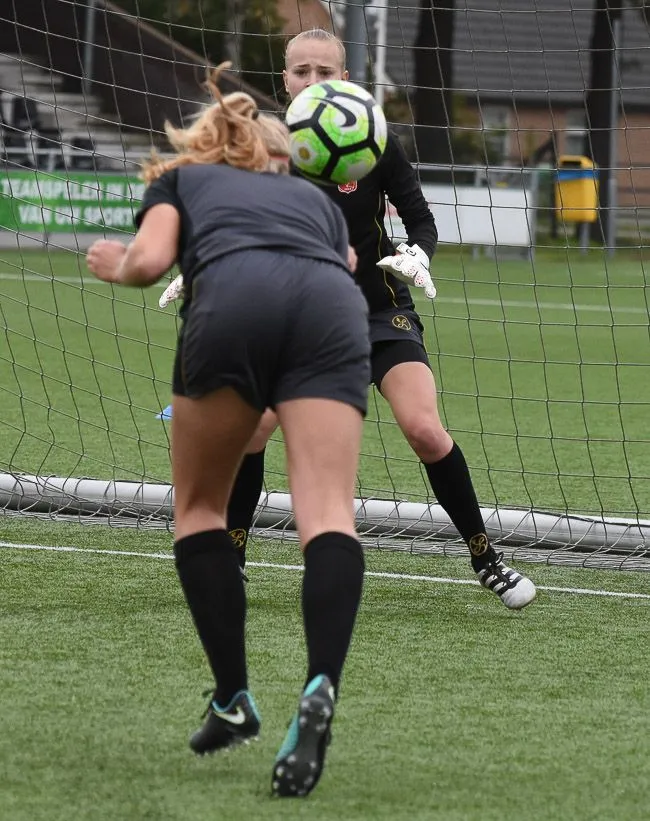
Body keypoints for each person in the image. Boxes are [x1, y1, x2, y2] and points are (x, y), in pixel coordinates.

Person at [159, 28, 536, 611]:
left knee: (425, 430)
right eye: (301, 71)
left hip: (378, 309)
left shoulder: (376, 141)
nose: (313, 82)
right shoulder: (266, 149)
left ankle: (487, 557)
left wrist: (417, 253)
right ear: (284, 81)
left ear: (346, 80)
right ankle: (231, 555)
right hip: (297, 317)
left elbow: (422, 219)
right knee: (254, 428)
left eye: (325, 72)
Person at [86, 63, 370, 798]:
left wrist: (115, 265)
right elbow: (343, 263)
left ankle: (234, 696)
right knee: (329, 513)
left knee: (201, 511)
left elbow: (150, 262)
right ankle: (319, 684)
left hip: (233, 302)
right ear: (280, 155)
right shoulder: (318, 204)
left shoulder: (183, 179)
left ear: (211, 147)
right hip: (333, 307)